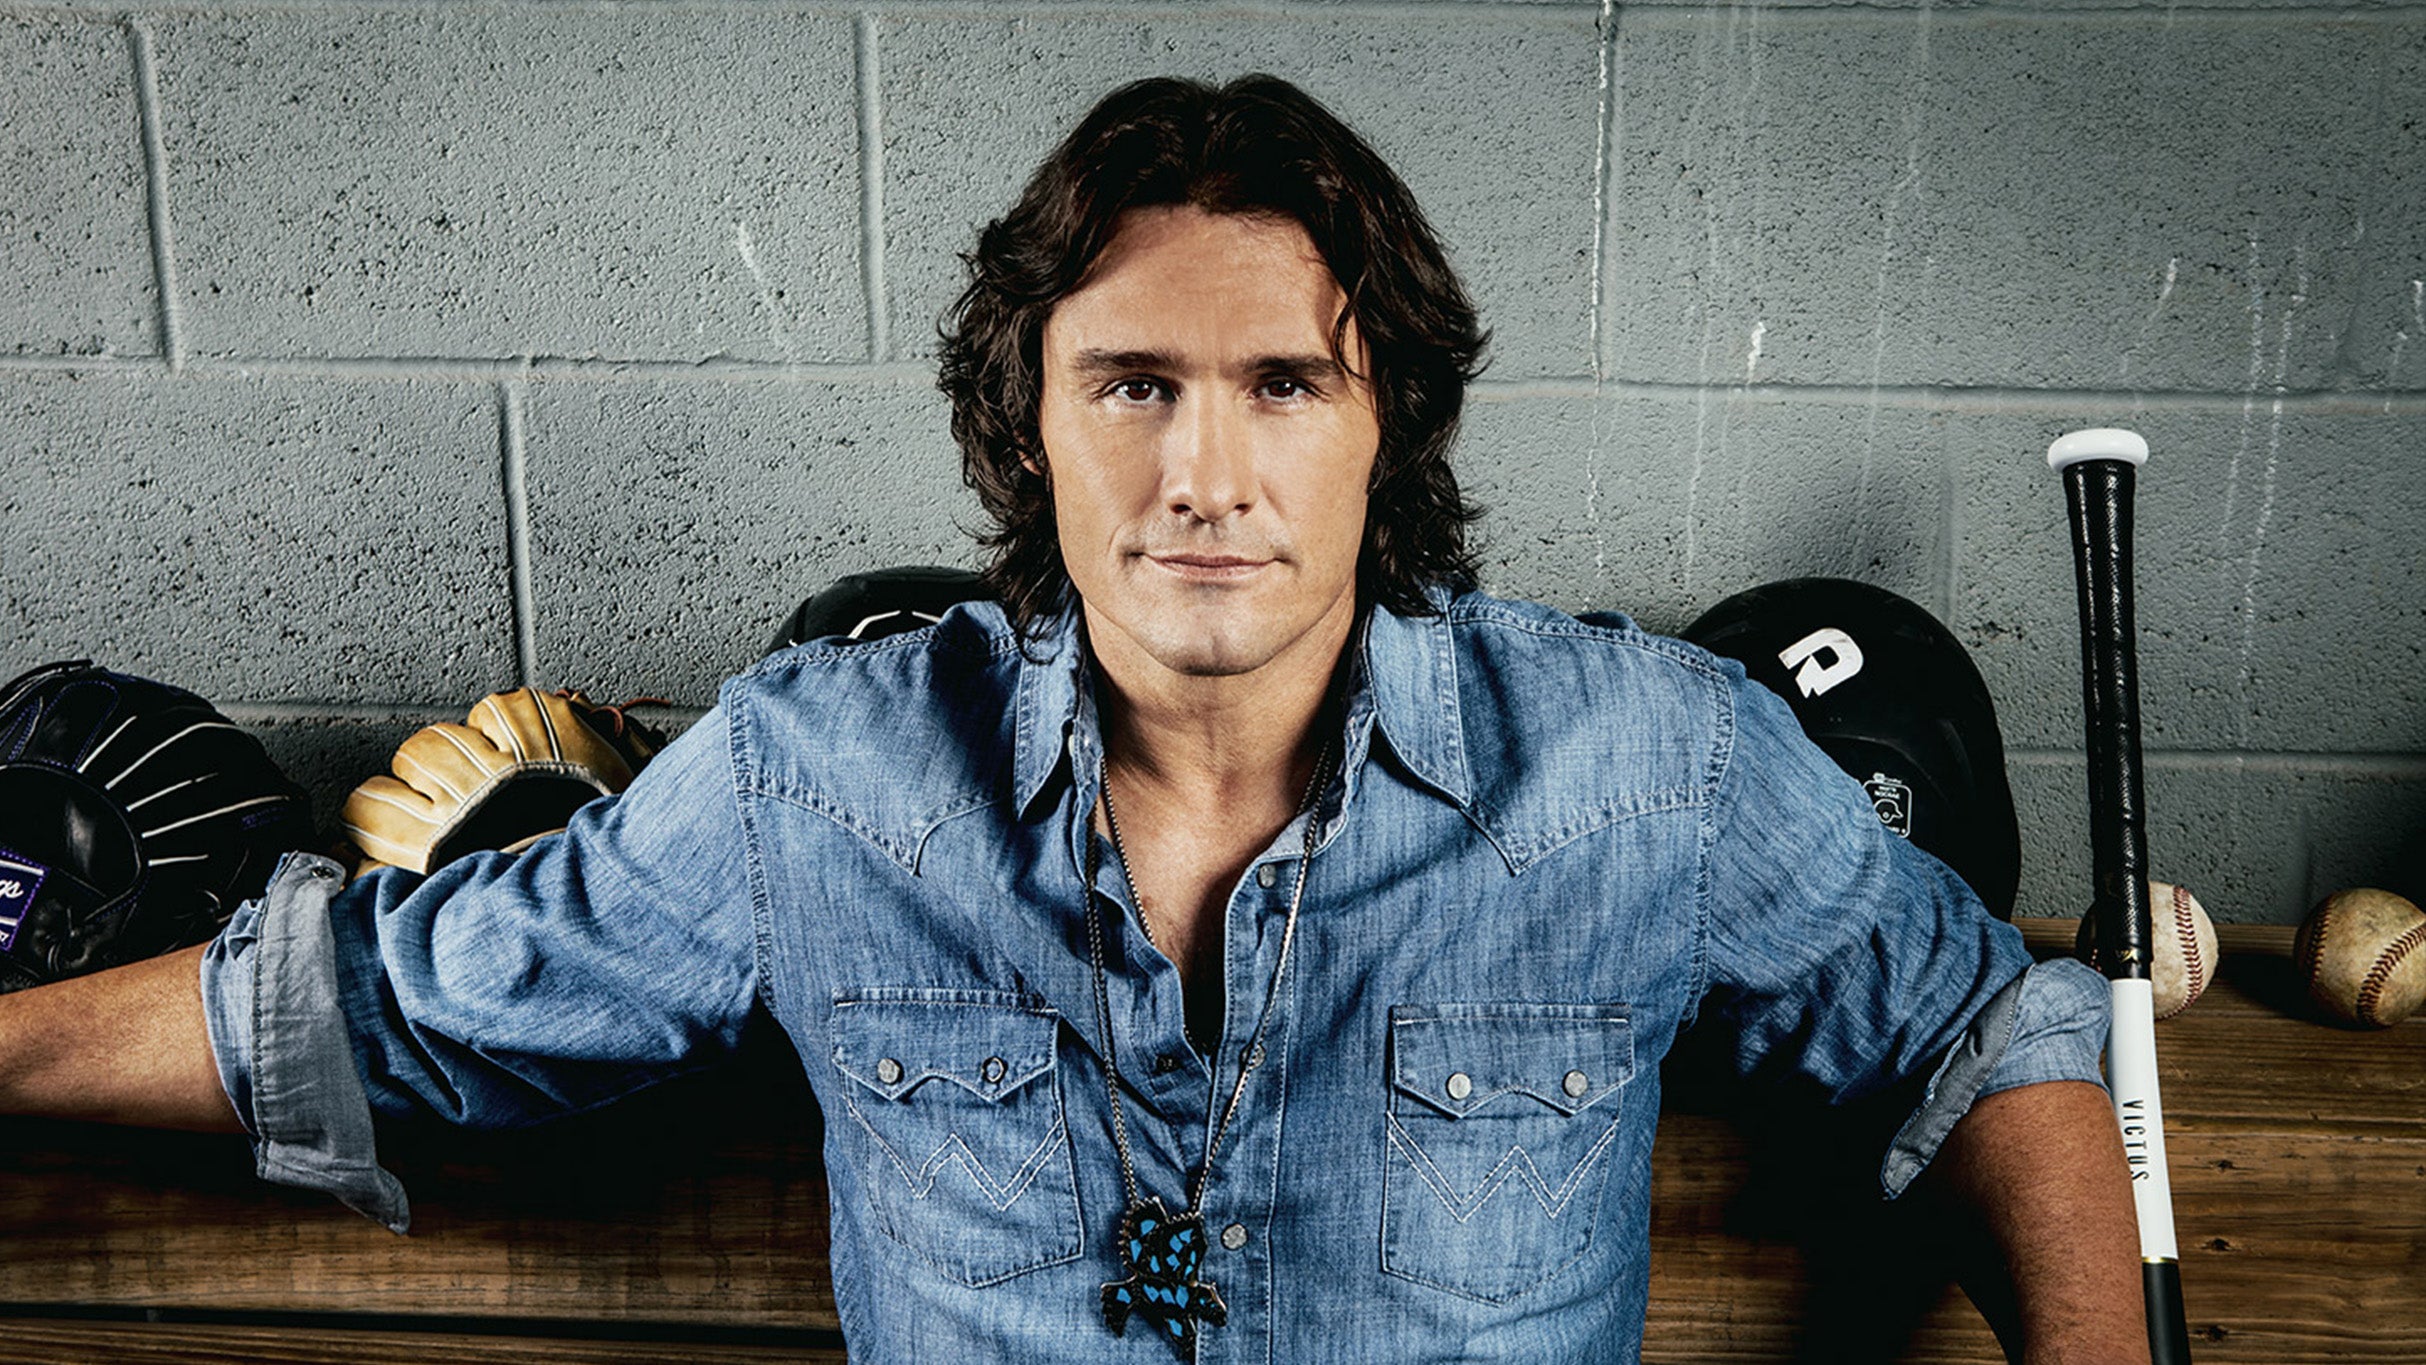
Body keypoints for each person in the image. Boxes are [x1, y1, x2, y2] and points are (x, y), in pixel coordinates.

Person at [0, 74, 2145, 1363]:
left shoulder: (1646, 763)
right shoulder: (821, 772)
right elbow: (388, 999)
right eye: (1131, 384)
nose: (1204, 473)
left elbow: (1978, 1026)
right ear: (1024, 425)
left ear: (1386, 428)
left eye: (1282, 385)